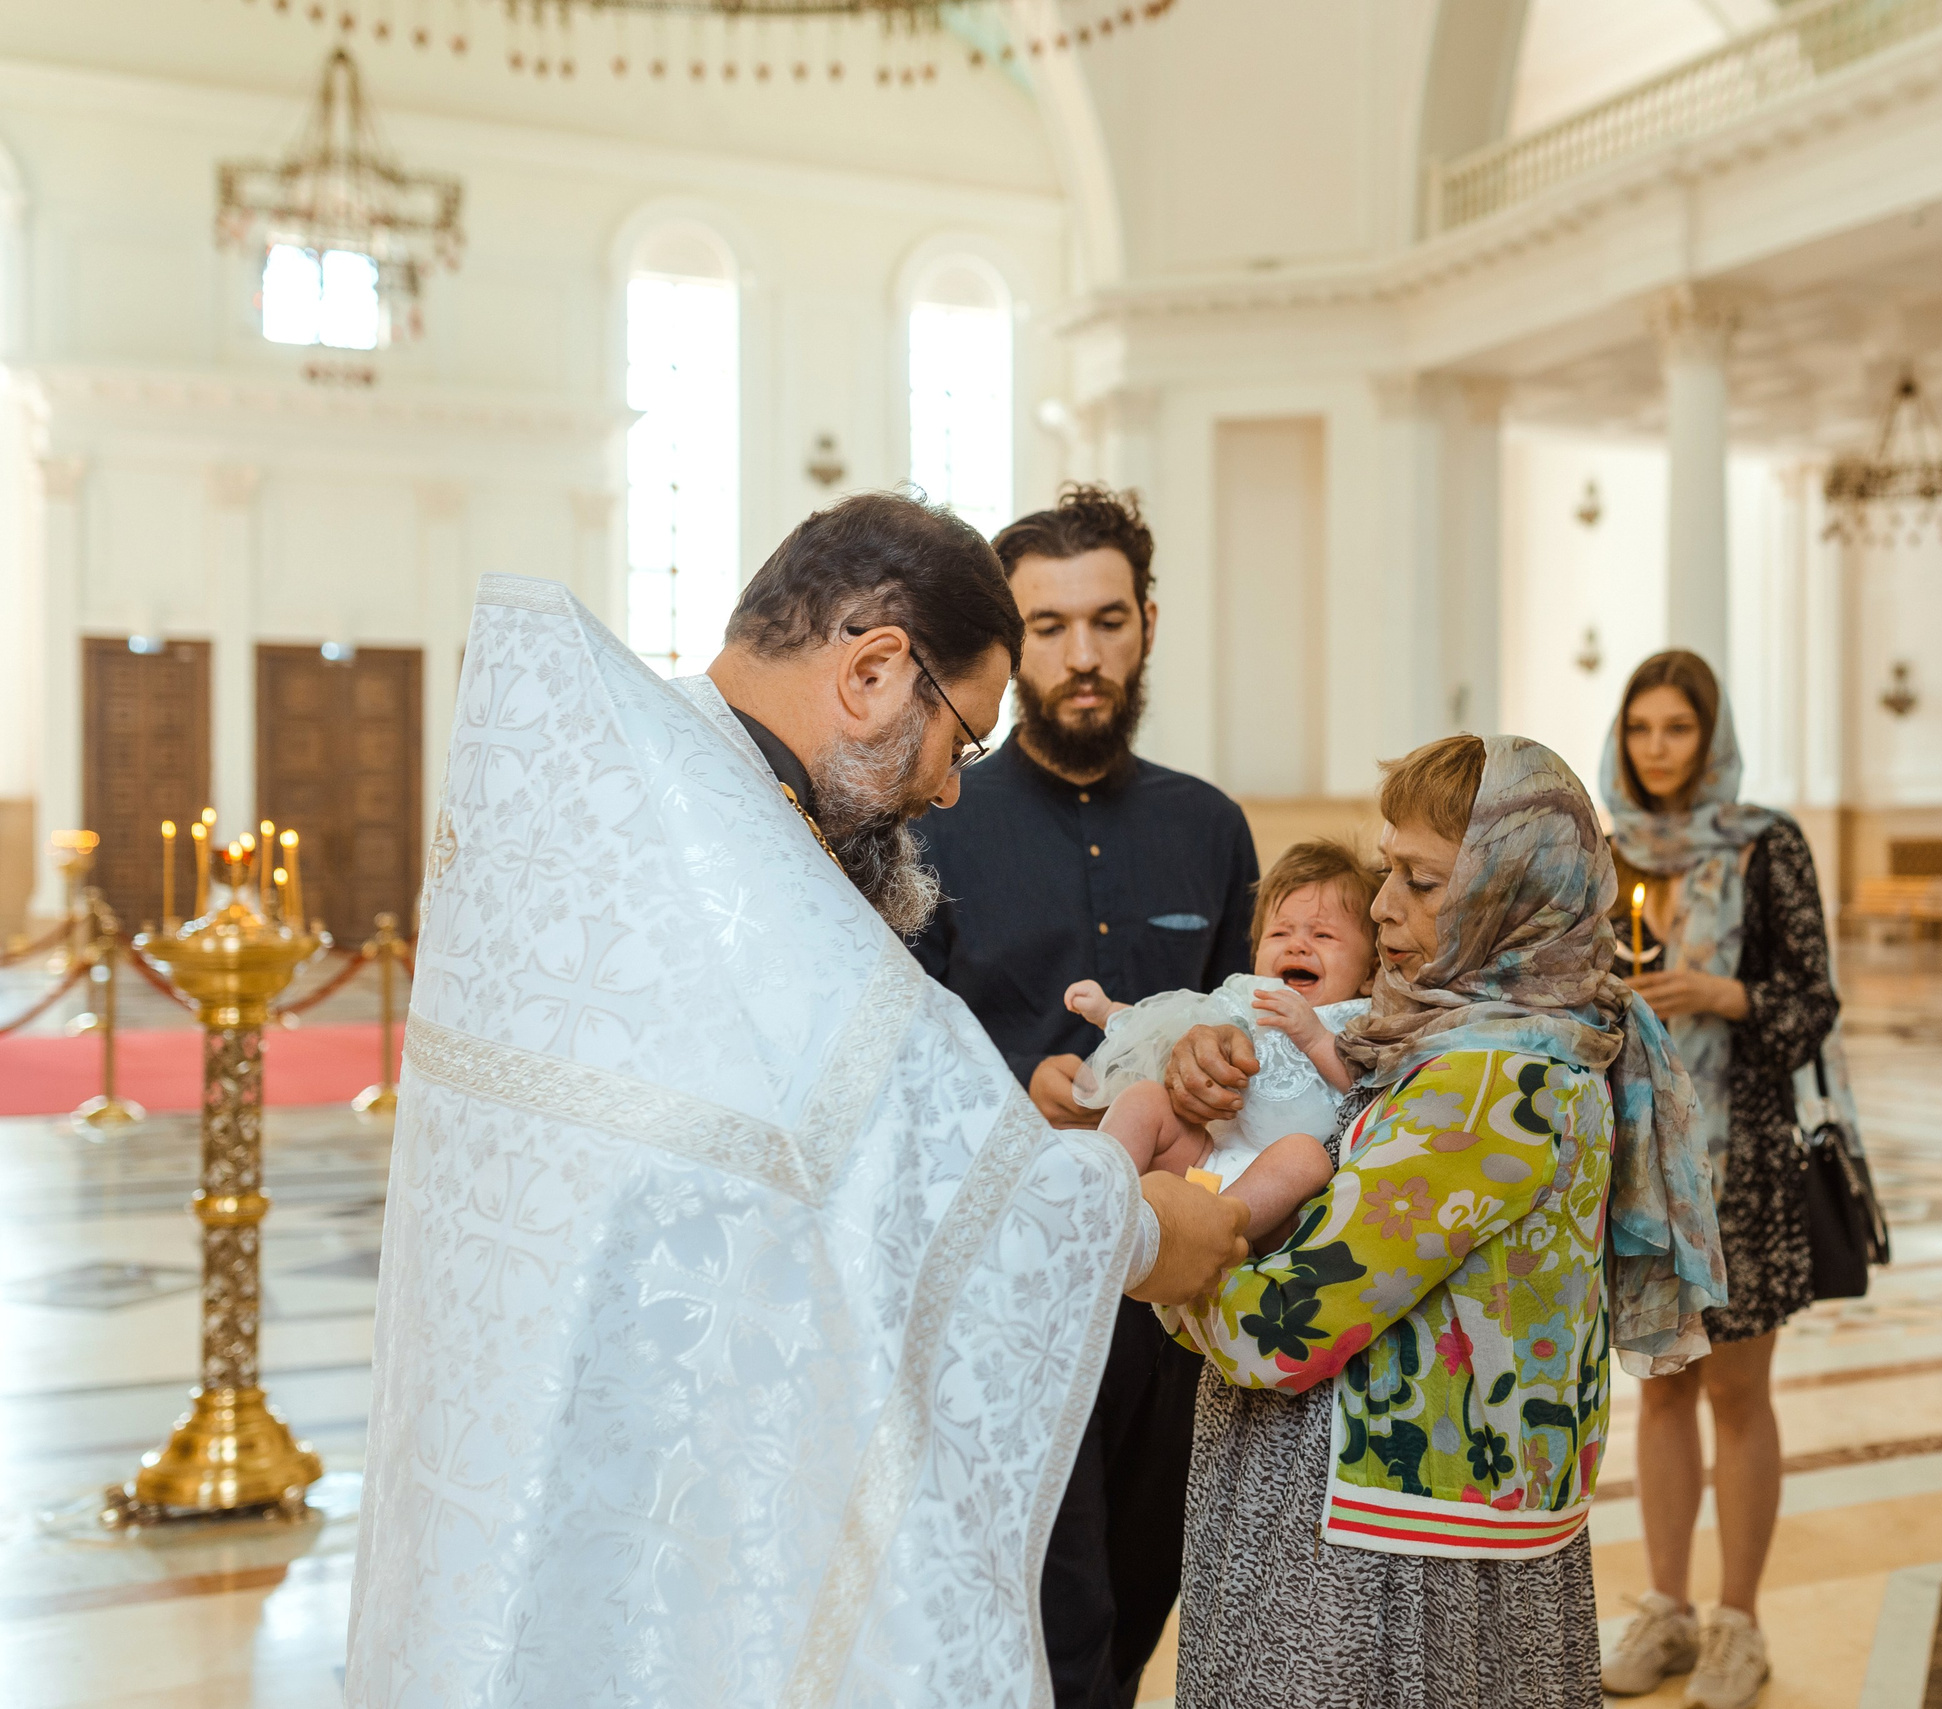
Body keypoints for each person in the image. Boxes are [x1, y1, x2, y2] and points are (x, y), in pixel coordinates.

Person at [346, 493, 1250, 1708]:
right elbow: (949, 1191)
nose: (944, 793)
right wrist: (1143, 1222)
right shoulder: (750, 882)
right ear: (876, 670)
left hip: (535, 1444)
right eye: (959, 740)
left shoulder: (637, 796)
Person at [1156, 734, 1728, 1709]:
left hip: (1382, 1557)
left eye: (1419, 881)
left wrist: (1158, 1240)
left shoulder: (1490, 1083)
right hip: (1447, 1530)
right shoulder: (1531, 1042)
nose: (1381, 906)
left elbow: (1274, 1328)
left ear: (1516, 895)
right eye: (1389, 872)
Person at [908, 483, 1259, 1709]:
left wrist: (1220, 1070)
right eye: (1048, 627)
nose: (1082, 654)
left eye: (1106, 620)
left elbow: (1252, 1034)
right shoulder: (935, 822)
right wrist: (1022, 1087)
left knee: (1144, 1587)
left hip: (1172, 1295)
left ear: (1147, 624)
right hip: (1005, 1288)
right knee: (1046, 1621)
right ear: (1008, 643)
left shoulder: (1209, 828)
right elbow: (899, 1059)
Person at [1591, 650, 1841, 1709]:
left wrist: (1720, 992)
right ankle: (1666, 1608)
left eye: (1676, 729)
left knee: (1736, 1390)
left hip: (1740, 1160)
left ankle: (1738, 1618)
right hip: (1640, 1151)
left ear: (1710, 734)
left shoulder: (1763, 842)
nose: (1656, 749)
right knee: (1660, 1386)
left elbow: (1811, 999)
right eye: (1640, 728)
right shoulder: (1601, 850)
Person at [1068, 837, 1380, 1243]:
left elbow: (1368, 1094)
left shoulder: (1361, 1018)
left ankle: (1201, 1241)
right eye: (1279, 933)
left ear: (1370, 972)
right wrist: (1108, 1011)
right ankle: (1090, 1204)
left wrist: (1315, 1037)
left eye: (1323, 936)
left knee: (1306, 1155)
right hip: (1204, 1159)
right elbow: (1170, 1024)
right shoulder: (1245, 997)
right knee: (1145, 1098)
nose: (1297, 944)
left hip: (1278, 1198)